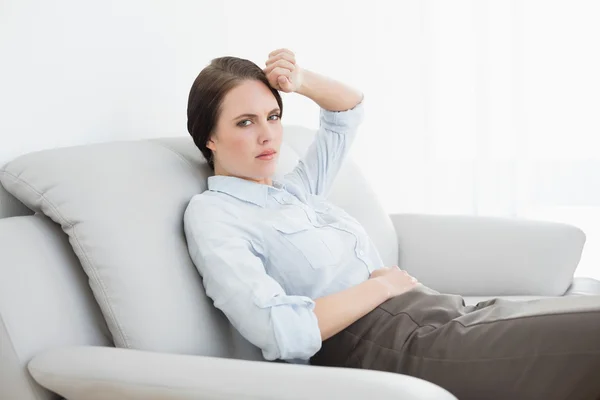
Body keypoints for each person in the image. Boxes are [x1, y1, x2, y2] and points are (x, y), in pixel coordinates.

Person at [183, 48, 600, 400]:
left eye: (273, 116)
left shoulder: (296, 189)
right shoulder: (215, 214)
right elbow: (281, 332)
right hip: (385, 347)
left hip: (436, 310)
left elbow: (347, 110)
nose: (268, 135)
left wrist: (301, 79)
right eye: (245, 122)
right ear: (209, 138)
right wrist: (381, 286)